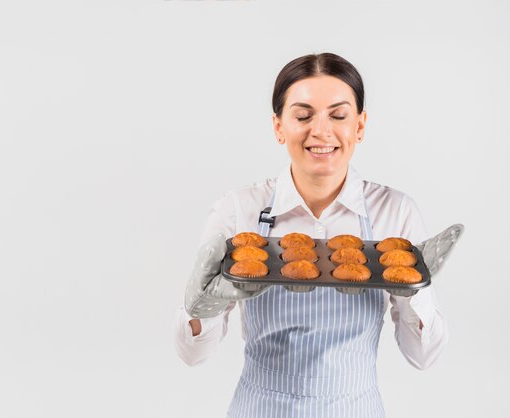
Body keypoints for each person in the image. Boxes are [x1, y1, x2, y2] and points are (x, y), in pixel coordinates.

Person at [173, 53, 462, 417]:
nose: (321, 131)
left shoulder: (396, 213)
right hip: (260, 408)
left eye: (338, 116)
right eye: (303, 115)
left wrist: (416, 296)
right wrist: (201, 309)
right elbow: (192, 355)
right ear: (278, 126)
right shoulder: (238, 211)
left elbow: (424, 357)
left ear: (360, 125)